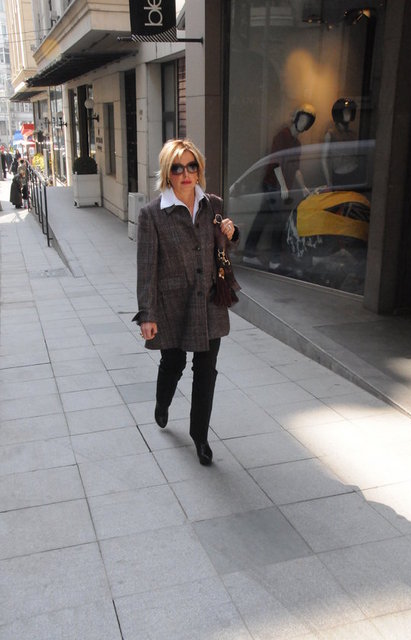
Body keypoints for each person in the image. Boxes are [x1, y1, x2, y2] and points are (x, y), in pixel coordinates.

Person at [133, 138, 239, 466]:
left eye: (192, 166)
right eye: (178, 168)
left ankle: (200, 436)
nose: (186, 173)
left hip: (210, 301)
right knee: (174, 362)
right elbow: (146, 268)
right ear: (168, 173)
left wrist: (232, 233)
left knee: (206, 370)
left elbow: (222, 248)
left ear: (199, 169)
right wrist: (147, 314)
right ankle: (162, 402)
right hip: (173, 304)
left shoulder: (213, 204)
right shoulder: (152, 215)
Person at [243, 103, 316, 270]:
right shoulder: (281, 136)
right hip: (272, 185)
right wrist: (283, 187)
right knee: (279, 221)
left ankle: (249, 253)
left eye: (307, 122)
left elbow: (296, 169)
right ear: (296, 118)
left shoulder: (297, 144)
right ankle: (274, 259)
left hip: (281, 187)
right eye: (302, 119)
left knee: (263, 219)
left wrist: (303, 187)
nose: (303, 124)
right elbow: (275, 164)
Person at [321, 98, 362, 188]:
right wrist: (329, 181)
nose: (349, 114)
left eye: (350, 112)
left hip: (354, 173)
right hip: (340, 175)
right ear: (339, 114)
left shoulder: (353, 134)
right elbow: (324, 159)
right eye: (346, 112)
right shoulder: (331, 134)